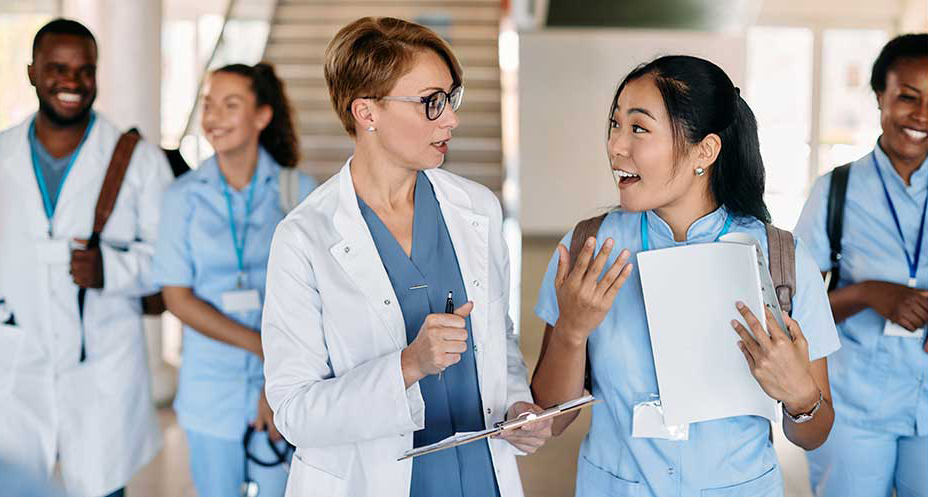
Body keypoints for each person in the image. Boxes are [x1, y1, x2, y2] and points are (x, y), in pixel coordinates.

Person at [260, 17, 551, 497]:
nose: (451, 119)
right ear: (366, 112)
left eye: (450, 99)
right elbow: (294, 412)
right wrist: (408, 365)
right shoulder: (303, 238)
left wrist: (518, 408)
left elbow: (498, 340)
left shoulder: (476, 208)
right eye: (430, 103)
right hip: (372, 480)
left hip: (480, 473)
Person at [530, 55, 842, 497]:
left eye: (638, 128)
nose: (616, 146)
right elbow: (550, 419)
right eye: (615, 125)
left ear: (706, 151)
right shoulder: (589, 248)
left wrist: (800, 396)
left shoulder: (780, 257)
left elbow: (816, 433)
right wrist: (571, 332)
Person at [0, 18, 171, 497]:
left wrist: (111, 270)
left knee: (100, 484)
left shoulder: (138, 161)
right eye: (57, 69)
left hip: (102, 363)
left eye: (84, 70)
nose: (72, 83)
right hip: (17, 363)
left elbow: (170, 263)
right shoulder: (2, 154)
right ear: (32, 72)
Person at [151, 62, 315, 497]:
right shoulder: (183, 197)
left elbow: (321, 300)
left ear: (262, 116)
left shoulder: (299, 192)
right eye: (208, 105)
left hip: (289, 387)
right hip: (210, 392)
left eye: (230, 105)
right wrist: (261, 349)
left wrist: (277, 379)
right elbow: (177, 297)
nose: (214, 116)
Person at [795, 33, 928, 497]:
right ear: (880, 98)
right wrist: (869, 293)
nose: (922, 115)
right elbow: (791, 313)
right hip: (855, 409)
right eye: (907, 98)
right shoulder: (835, 192)